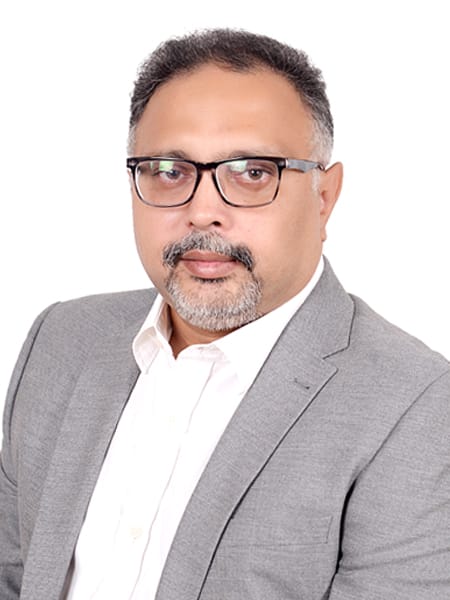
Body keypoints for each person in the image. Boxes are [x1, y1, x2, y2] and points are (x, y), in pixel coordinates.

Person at [1, 28, 449, 600]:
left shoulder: (415, 404)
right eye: (169, 170)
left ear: (324, 197)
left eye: (253, 172)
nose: (203, 211)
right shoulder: (61, 340)